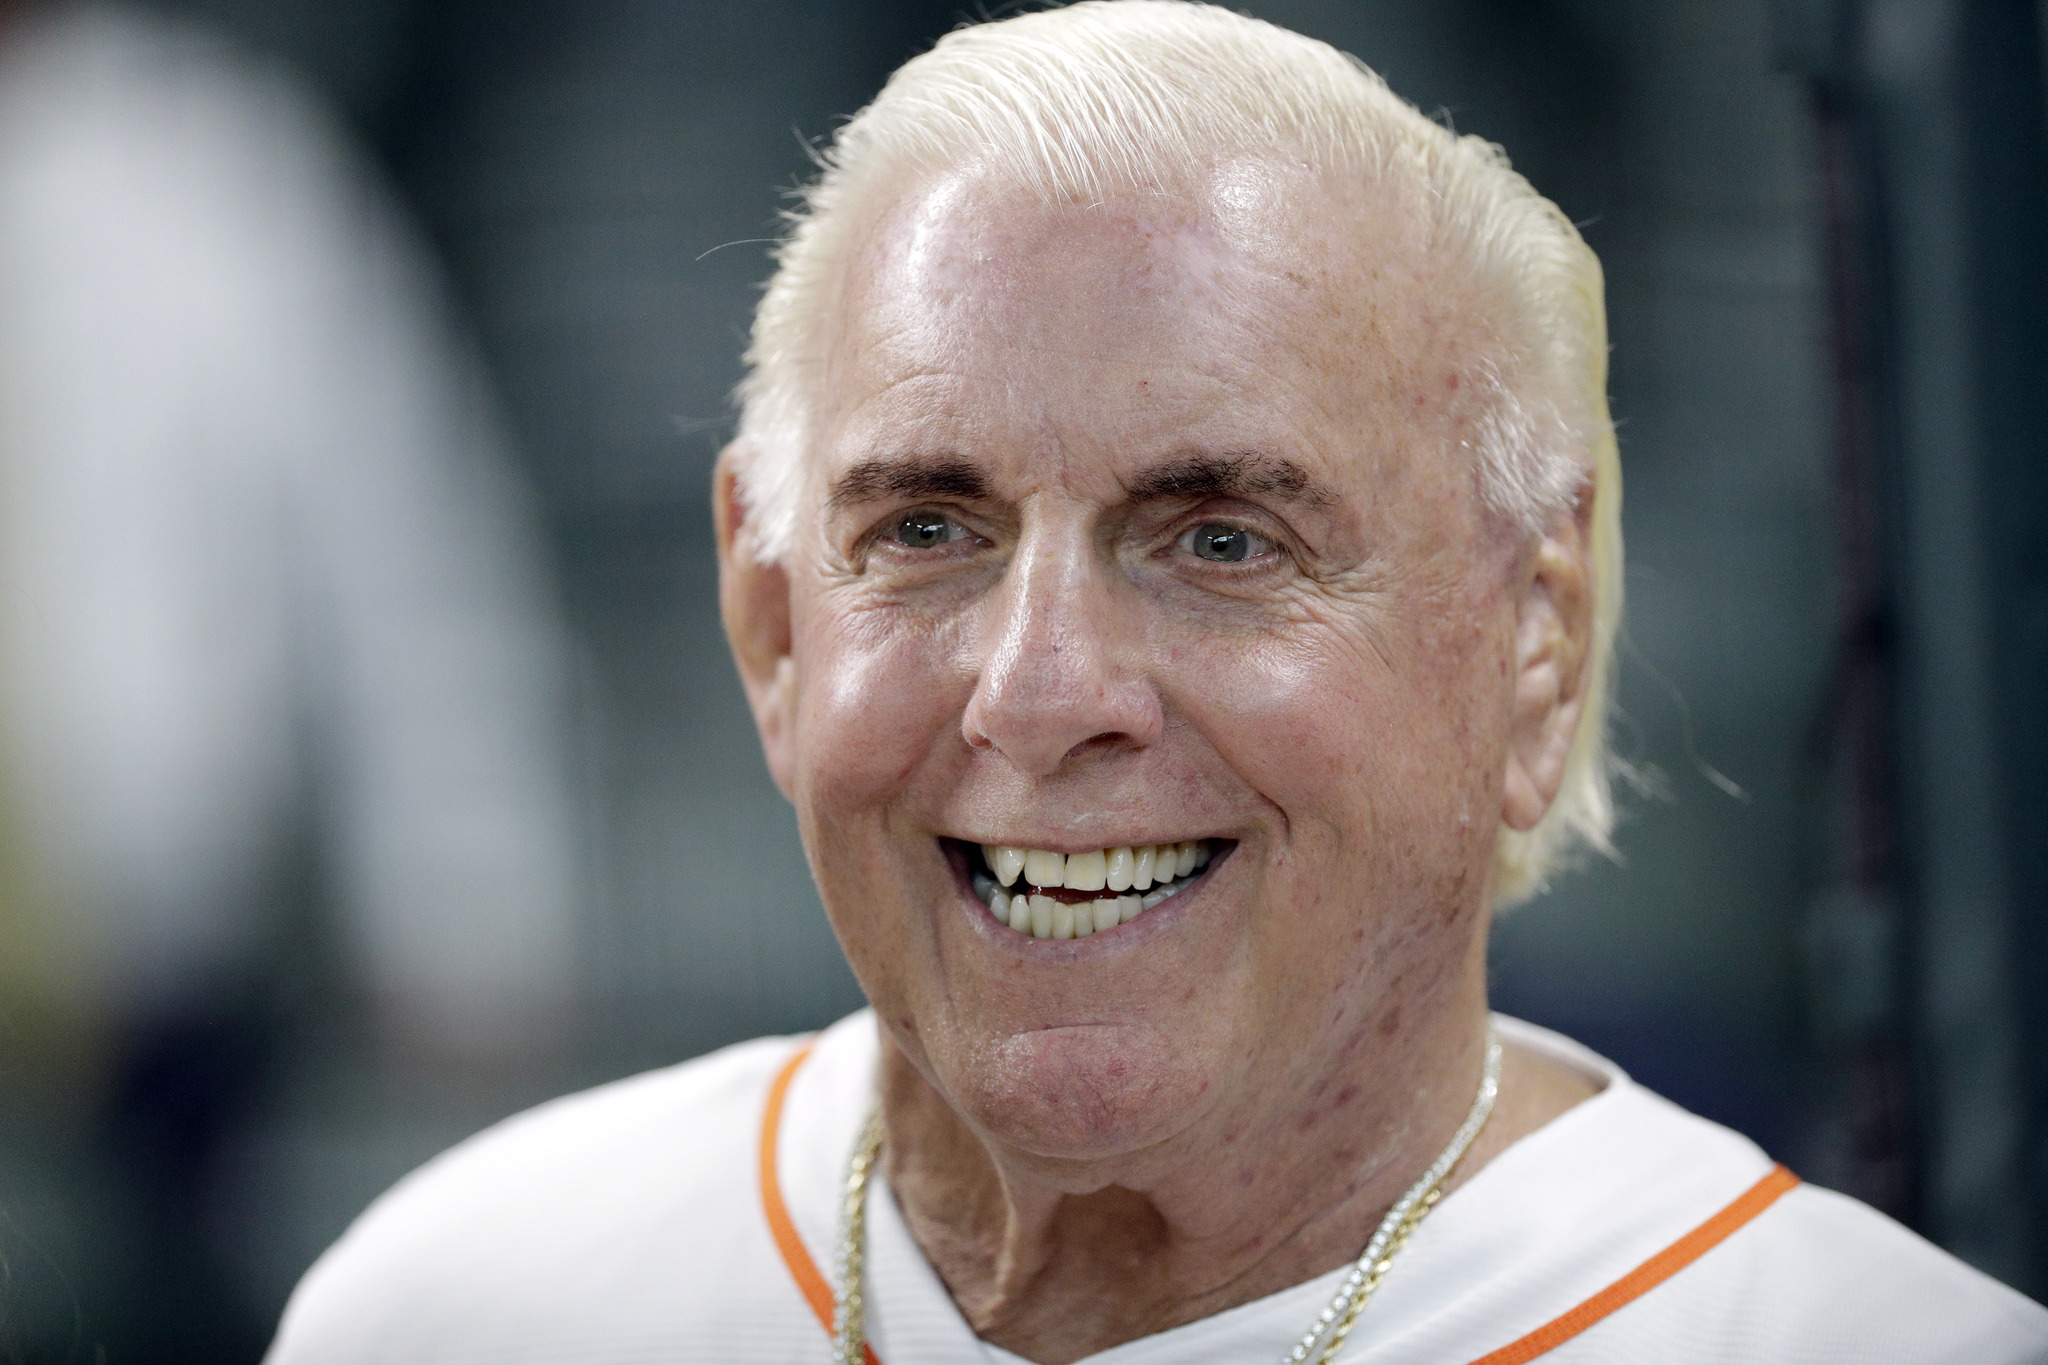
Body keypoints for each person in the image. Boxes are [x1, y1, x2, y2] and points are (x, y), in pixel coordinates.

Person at [263, 3, 2048, 1361]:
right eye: (931, 527)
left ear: (1537, 643)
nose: (1042, 693)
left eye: (1220, 540)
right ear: (772, 622)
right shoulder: (459, 1308)